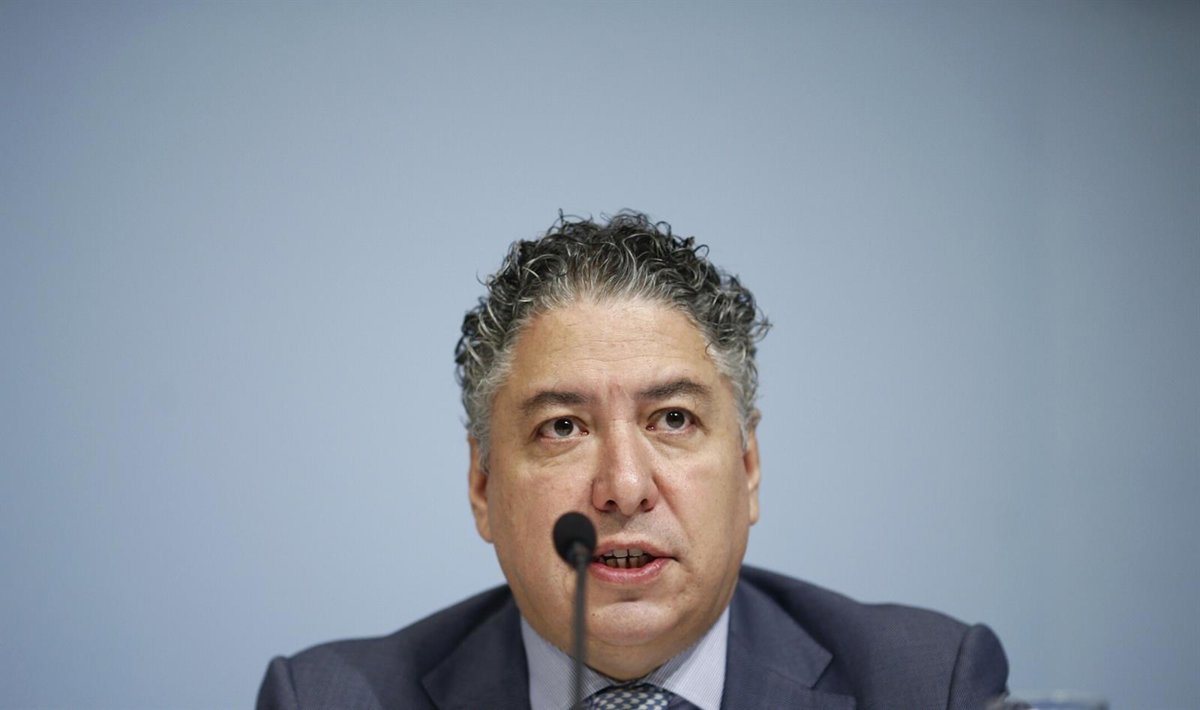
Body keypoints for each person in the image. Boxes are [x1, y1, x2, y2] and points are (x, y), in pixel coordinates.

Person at [257, 211, 1015, 709]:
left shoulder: (928, 685)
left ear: (748, 467)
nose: (623, 487)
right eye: (562, 428)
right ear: (482, 485)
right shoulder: (326, 700)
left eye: (673, 419)